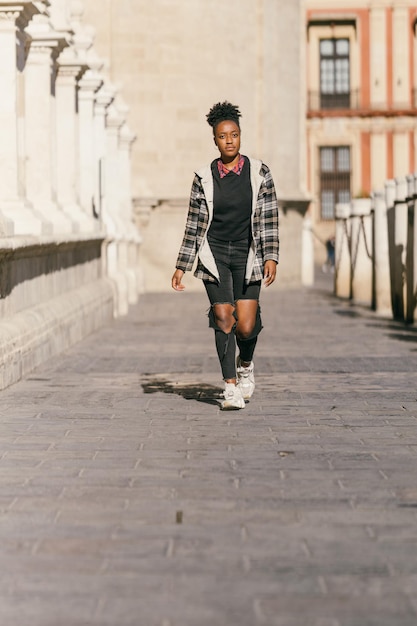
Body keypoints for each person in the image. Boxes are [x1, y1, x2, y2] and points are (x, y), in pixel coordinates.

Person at [171, 101, 279, 410]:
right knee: (223, 318)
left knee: (245, 324)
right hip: (214, 253)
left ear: (240, 135)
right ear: (215, 140)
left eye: (233, 134)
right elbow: (194, 224)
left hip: (249, 254)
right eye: (222, 136)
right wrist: (182, 264)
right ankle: (229, 386)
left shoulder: (260, 173)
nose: (228, 140)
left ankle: (245, 364)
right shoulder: (203, 177)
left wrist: (271, 256)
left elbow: (269, 217)